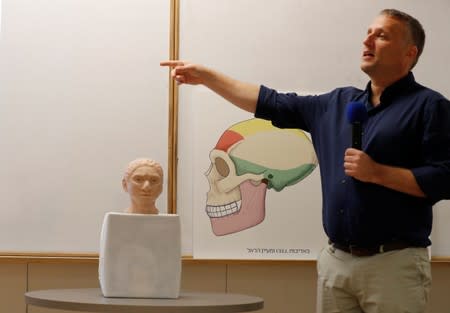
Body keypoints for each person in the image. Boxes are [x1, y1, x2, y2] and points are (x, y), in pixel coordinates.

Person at [161, 8, 450, 313]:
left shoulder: (430, 107)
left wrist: (378, 173)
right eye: (368, 32)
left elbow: (444, 179)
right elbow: (268, 101)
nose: (368, 39)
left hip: (394, 264)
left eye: (382, 35)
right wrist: (207, 77)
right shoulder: (337, 104)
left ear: (409, 52)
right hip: (336, 262)